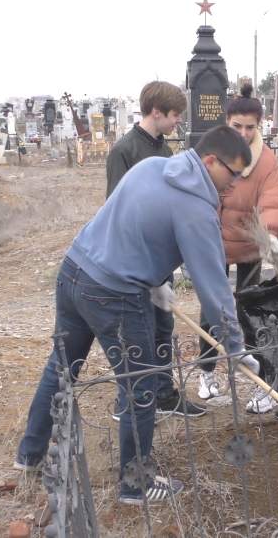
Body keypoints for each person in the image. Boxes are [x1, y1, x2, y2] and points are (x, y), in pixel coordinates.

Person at [15, 125, 261, 504]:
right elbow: (212, 288)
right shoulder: (196, 207)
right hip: (113, 292)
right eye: (233, 174)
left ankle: (29, 455)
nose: (235, 185)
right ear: (210, 161)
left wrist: (155, 278)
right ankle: (136, 484)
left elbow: (132, 225)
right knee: (141, 386)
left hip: (74, 271)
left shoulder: (153, 167)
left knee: (62, 367)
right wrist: (234, 346)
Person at [103, 80, 204, 420]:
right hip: (135, 265)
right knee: (137, 334)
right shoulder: (124, 151)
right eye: (175, 115)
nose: (179, 122)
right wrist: (143, 273)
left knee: (163, 330)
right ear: (156, 112)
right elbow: (119, 214)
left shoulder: (165, 151)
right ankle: (131, 401)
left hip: (161, 263)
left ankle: (163, 393)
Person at [197, 84, 278, 414]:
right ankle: (206, 373)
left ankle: (260, 383)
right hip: (211, 245)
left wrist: (271, 231)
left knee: (249, 312)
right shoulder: (212, 151)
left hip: (248, 245)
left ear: (259, 125)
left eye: (251, 127)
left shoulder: (266, 162)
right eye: (238, 126)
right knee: (211, 313)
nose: (245, 133)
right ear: (227, 121)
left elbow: (273, 198)